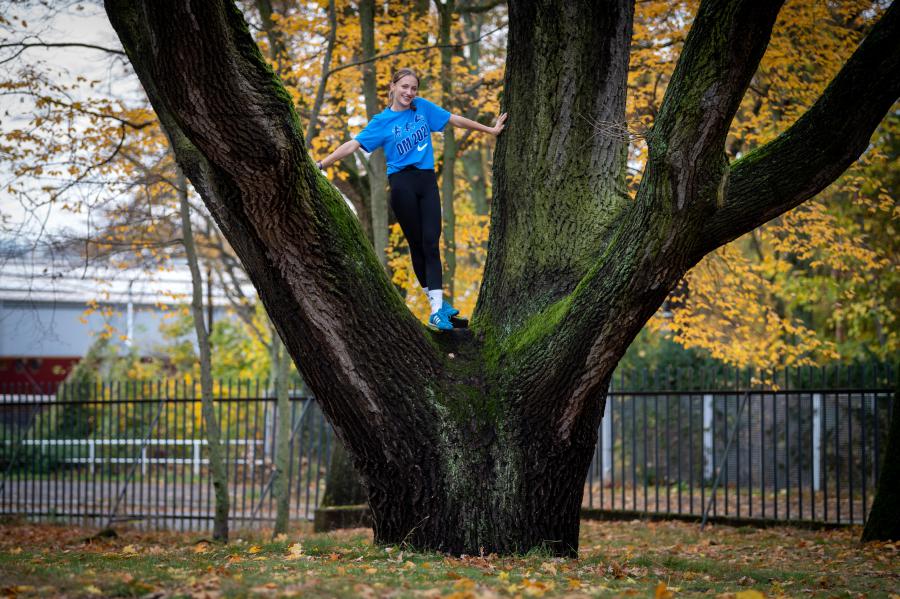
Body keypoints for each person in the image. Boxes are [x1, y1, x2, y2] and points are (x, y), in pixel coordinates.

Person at [316, 67, 507, 331]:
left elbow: (455, 119)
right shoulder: (382, 121)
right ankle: (437, 307)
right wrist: (322, 164)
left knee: (431, 242)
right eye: (404, 86)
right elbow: (353, 145)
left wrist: (490, 130)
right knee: (417, 246)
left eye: (413, 88)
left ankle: (438, 309)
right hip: (401, 185)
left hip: (427, 182)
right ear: (393, 87)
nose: (409, 92)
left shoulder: (422, 108)